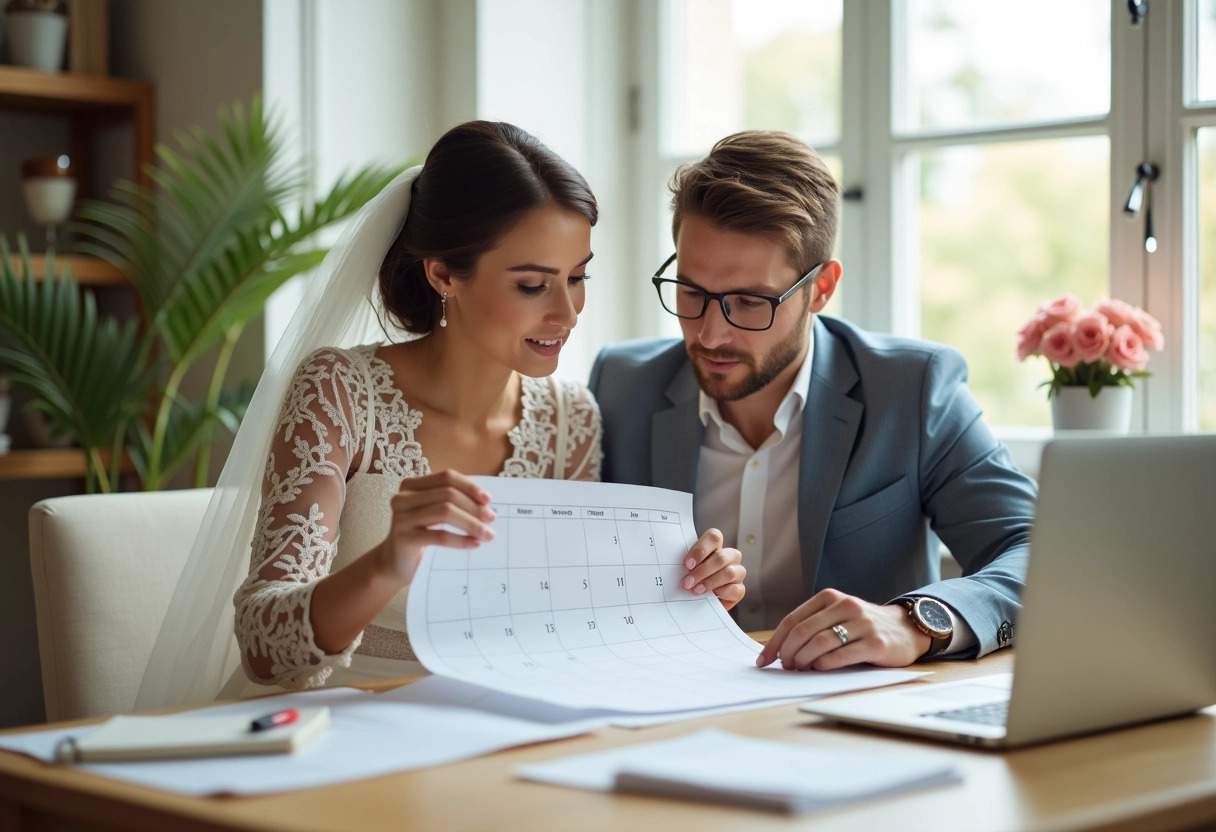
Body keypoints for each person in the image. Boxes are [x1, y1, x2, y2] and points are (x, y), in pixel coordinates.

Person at [136, 122, 745, 708]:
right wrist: (388, 562)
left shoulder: (572, 418)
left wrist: (687, 589)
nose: (567, 312)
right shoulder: (340, 392)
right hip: (338, 721)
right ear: (443, 274)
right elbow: (263, 644)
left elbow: (563, 627)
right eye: (533, 286)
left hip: (495, 726)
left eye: (578, 278)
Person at [589, 130, 1037, 673]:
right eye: (691, 292)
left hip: (854, 727)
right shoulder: (620, 387)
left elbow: (1036, 550)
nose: (709, 335)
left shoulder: (913, 391)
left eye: (749, 302)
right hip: (668, 706)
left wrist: (916, 622)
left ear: (820, 288)